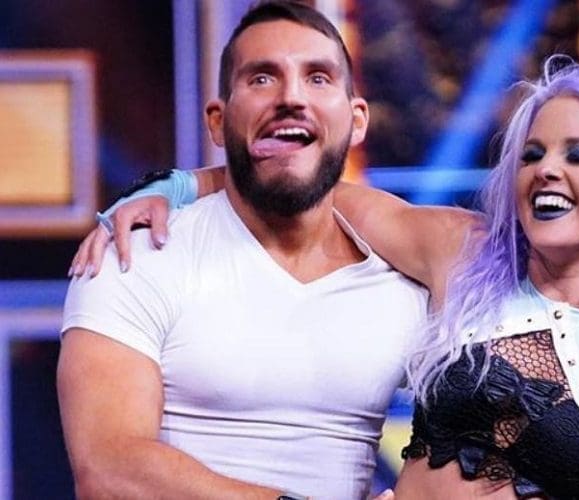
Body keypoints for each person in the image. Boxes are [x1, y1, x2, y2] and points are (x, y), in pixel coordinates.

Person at [74, 60, 579, 498]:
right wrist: (179, 186)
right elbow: (305, 187)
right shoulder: (467, 256)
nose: (546, 170)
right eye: (532, 154)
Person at [58, 2, 428, 499]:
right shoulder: (135, 253)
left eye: (318, 78)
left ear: (357, 120)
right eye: (262, 78)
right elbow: (109, 472)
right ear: (218, 121)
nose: (291, 97)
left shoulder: (404, 283)